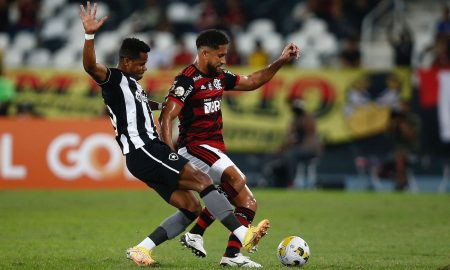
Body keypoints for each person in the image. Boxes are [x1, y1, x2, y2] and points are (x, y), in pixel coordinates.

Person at [78, 2, 269, 267]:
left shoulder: (133, 86)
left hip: (144, 155)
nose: (145, 68)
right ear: (125, 61)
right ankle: (242, 234)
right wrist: (89, 35)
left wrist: (162, 105)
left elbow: (150, 108)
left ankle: (141, 249)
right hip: (145, 150)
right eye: (140, 64)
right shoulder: (113, 79)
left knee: (191, 207)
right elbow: (90, 66)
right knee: (203, 180)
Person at [160, 29, 299, 267]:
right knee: (238, 178)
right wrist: (168, 154)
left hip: (214, 149)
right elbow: (166, 118)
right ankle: (196, 234)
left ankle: (231, 255)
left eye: (225, 55)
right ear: (204, 53)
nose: (224, 60)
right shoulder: (187, 80)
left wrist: (281, 61)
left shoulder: (219, 76)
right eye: (220, 55)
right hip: (195, 146)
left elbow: (254, 81)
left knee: (248, 203)